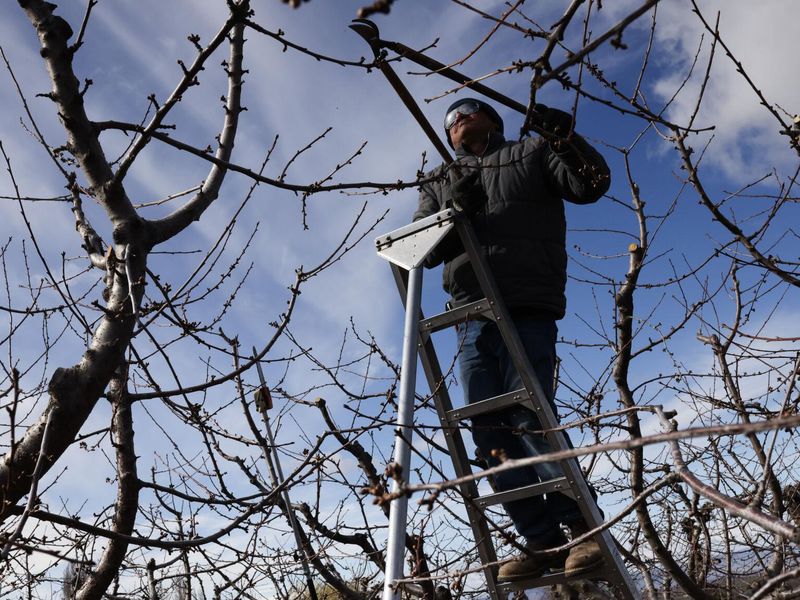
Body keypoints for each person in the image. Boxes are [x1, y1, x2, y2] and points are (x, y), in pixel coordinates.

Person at [413, 98, 611, 582]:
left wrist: (565, 139)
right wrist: (454, 210)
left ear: (493, 119)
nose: (458, 118)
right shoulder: (438, 181)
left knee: (530, 416)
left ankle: (582, 530)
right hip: (470, 312)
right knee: (487, 432)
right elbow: (421, 249)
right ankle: (541, 541)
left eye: (468, 110)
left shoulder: (530, 153)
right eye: (450, 119)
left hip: (525, 301)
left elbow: (590, 185)